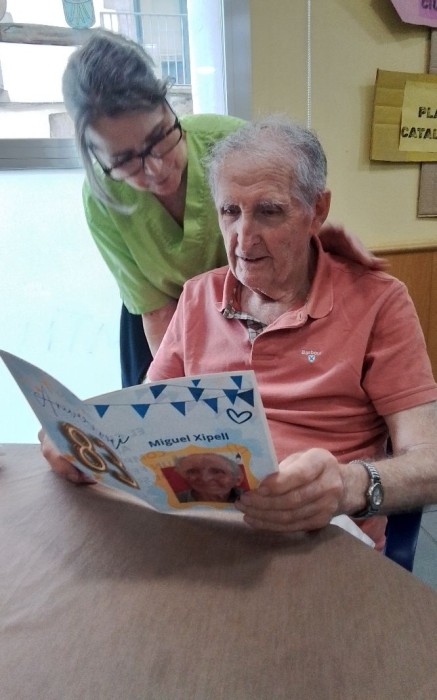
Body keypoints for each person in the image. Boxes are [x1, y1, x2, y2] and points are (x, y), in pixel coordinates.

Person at [40, 116, 437, 551]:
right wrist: (83, 442)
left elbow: (430, 460)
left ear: (317, 211)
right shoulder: (197, 296)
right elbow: (145, 422)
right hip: (204, 531)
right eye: (230, 212)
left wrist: (349, 486)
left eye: (269, 211)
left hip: (318, 537)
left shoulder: (378, 302)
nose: (244, 240)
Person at [62, 28, 245, 386]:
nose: (156, 169)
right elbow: (156, 312)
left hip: (251, 311)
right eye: (124, 160)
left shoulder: (234, 144)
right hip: (162, 325)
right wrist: (181, 394)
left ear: (167, 105)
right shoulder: (102, 198)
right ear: (97, 157)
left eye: (159, 136)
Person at [173, 453, 245, 503]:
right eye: (193, 471)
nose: (205, 479)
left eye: (217, 471)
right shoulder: (175, 499)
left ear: (238, 479)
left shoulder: (247, 496)